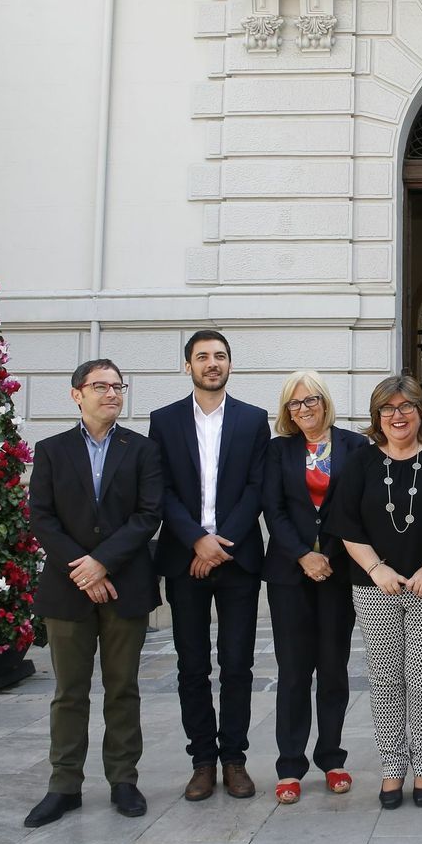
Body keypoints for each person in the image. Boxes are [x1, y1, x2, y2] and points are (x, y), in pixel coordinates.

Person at [25, 359, 163, 827]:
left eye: (118, 386)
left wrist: (103, 562)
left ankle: (123, 779)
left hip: (126, 585)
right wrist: (83, 569)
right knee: (70, 691)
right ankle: (64, 785)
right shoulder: (51, 450)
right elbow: (41, 517)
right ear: (76, 394)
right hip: (67, 590)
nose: (111, 393)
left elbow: (149, 515)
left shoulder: (141, 450)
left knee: (123, 687)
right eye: (100, 386)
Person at [328, 376, 422, 809]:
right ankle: (392, 767)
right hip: (373, 588)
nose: (398, 415)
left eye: (406, 406)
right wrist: (376, 568)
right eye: (388, 408)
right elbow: (345, 521)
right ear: (377, 415)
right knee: (386, 680)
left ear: (421, 411)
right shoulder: (360, 462)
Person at [148, 330, 270, 803]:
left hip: (236, 559)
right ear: (188, 367)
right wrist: (197, 541)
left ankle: (234, 759)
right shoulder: (164, 421)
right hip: (185, 560)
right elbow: (162, 492)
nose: (212, 363)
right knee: (192, 666)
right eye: (202, 357)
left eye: (220, 356)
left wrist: (220, 544)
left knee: (237, 664)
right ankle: (202, 760)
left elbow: (257, 489)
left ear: (230, 365)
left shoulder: (253, 420)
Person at [262, 371, 367, 804]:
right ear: (287, 411)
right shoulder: (278, 450)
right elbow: (273, 508)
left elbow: (357, 506)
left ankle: (332, 757)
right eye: (295, 404)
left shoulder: (354, 446)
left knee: (333, 669)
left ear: (325, 402)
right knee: (292, 672)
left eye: (311, 401)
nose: (304, 409)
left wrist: (331, 557)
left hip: (340, 574)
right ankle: (289, 765)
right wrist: (303, 555)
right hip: (290, 575)